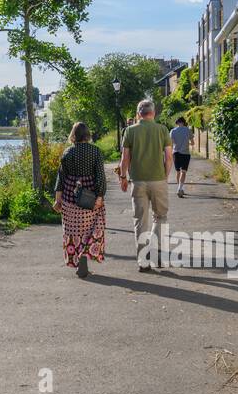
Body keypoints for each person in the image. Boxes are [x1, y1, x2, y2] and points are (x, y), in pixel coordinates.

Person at [119, 99, 173, 273]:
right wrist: (164, 176)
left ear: (138, 114)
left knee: (140, 221)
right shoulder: (162, 130)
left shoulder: (130, 131)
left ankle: (143, 261)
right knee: (160, 217)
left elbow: (125, 158)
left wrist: (123, 177)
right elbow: (169, 157)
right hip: (158, 180)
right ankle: (157, 255)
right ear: (153, 113)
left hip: (138, 181)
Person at [54, 122, 107, 279]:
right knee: (92, 229)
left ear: (73, 135)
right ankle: (83, 261)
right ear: (87, 135)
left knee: (73, 232)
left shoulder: (67, 152)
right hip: (90, 198)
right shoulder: (95, 151)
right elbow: (100, 177)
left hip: (70, 197)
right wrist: (100, 196)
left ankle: (79, 263)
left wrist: (58, 200)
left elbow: (60, 178)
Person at [170, 116, 192, 198]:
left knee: (178, 172)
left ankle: (178, 188)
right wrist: (186, 143)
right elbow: (192, 143)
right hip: (185, 153)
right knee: (183, 171)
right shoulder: (188, 130)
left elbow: (171, 143)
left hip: (176, 153)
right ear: (183, 122)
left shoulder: (173, 131)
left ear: (177, 123)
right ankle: (180, 188)